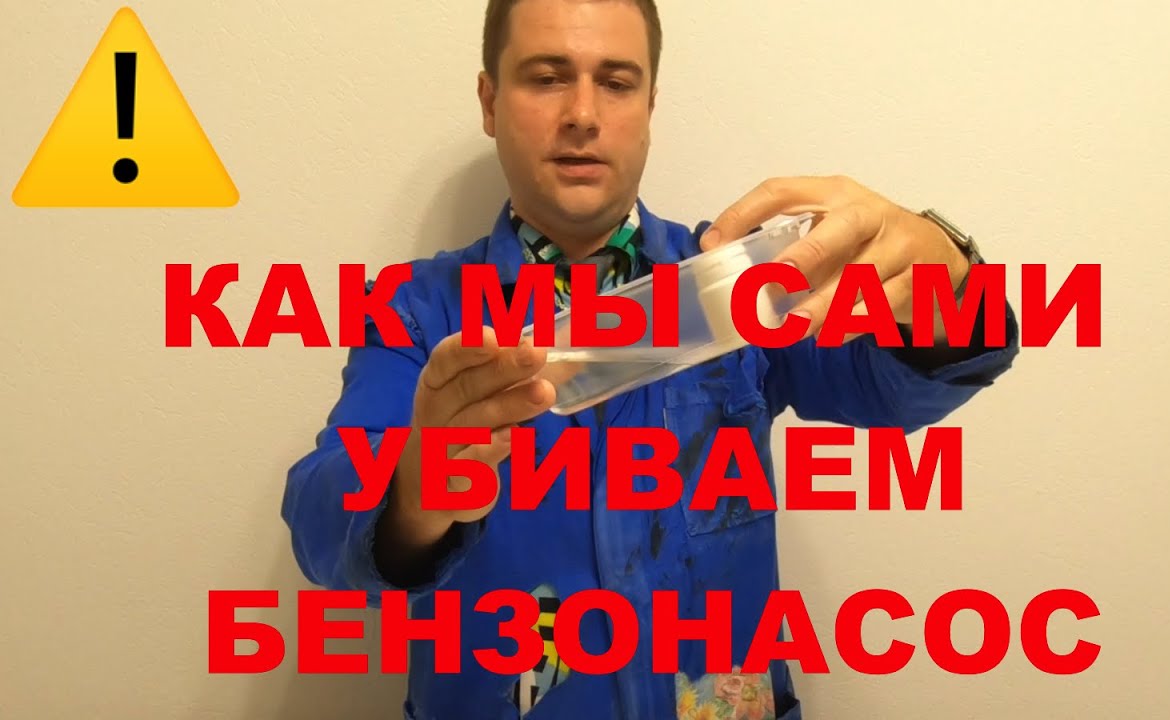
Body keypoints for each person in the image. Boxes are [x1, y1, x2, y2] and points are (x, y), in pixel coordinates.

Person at [282, 1, 1020, 718]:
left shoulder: (738, 290)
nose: (582, 113)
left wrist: (948, 277)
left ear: (650, 105)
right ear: (490, 101)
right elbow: (320, 521)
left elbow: (894, 390)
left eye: (615, 81)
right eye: (546, 77)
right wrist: (415, 489)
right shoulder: (418, 310)